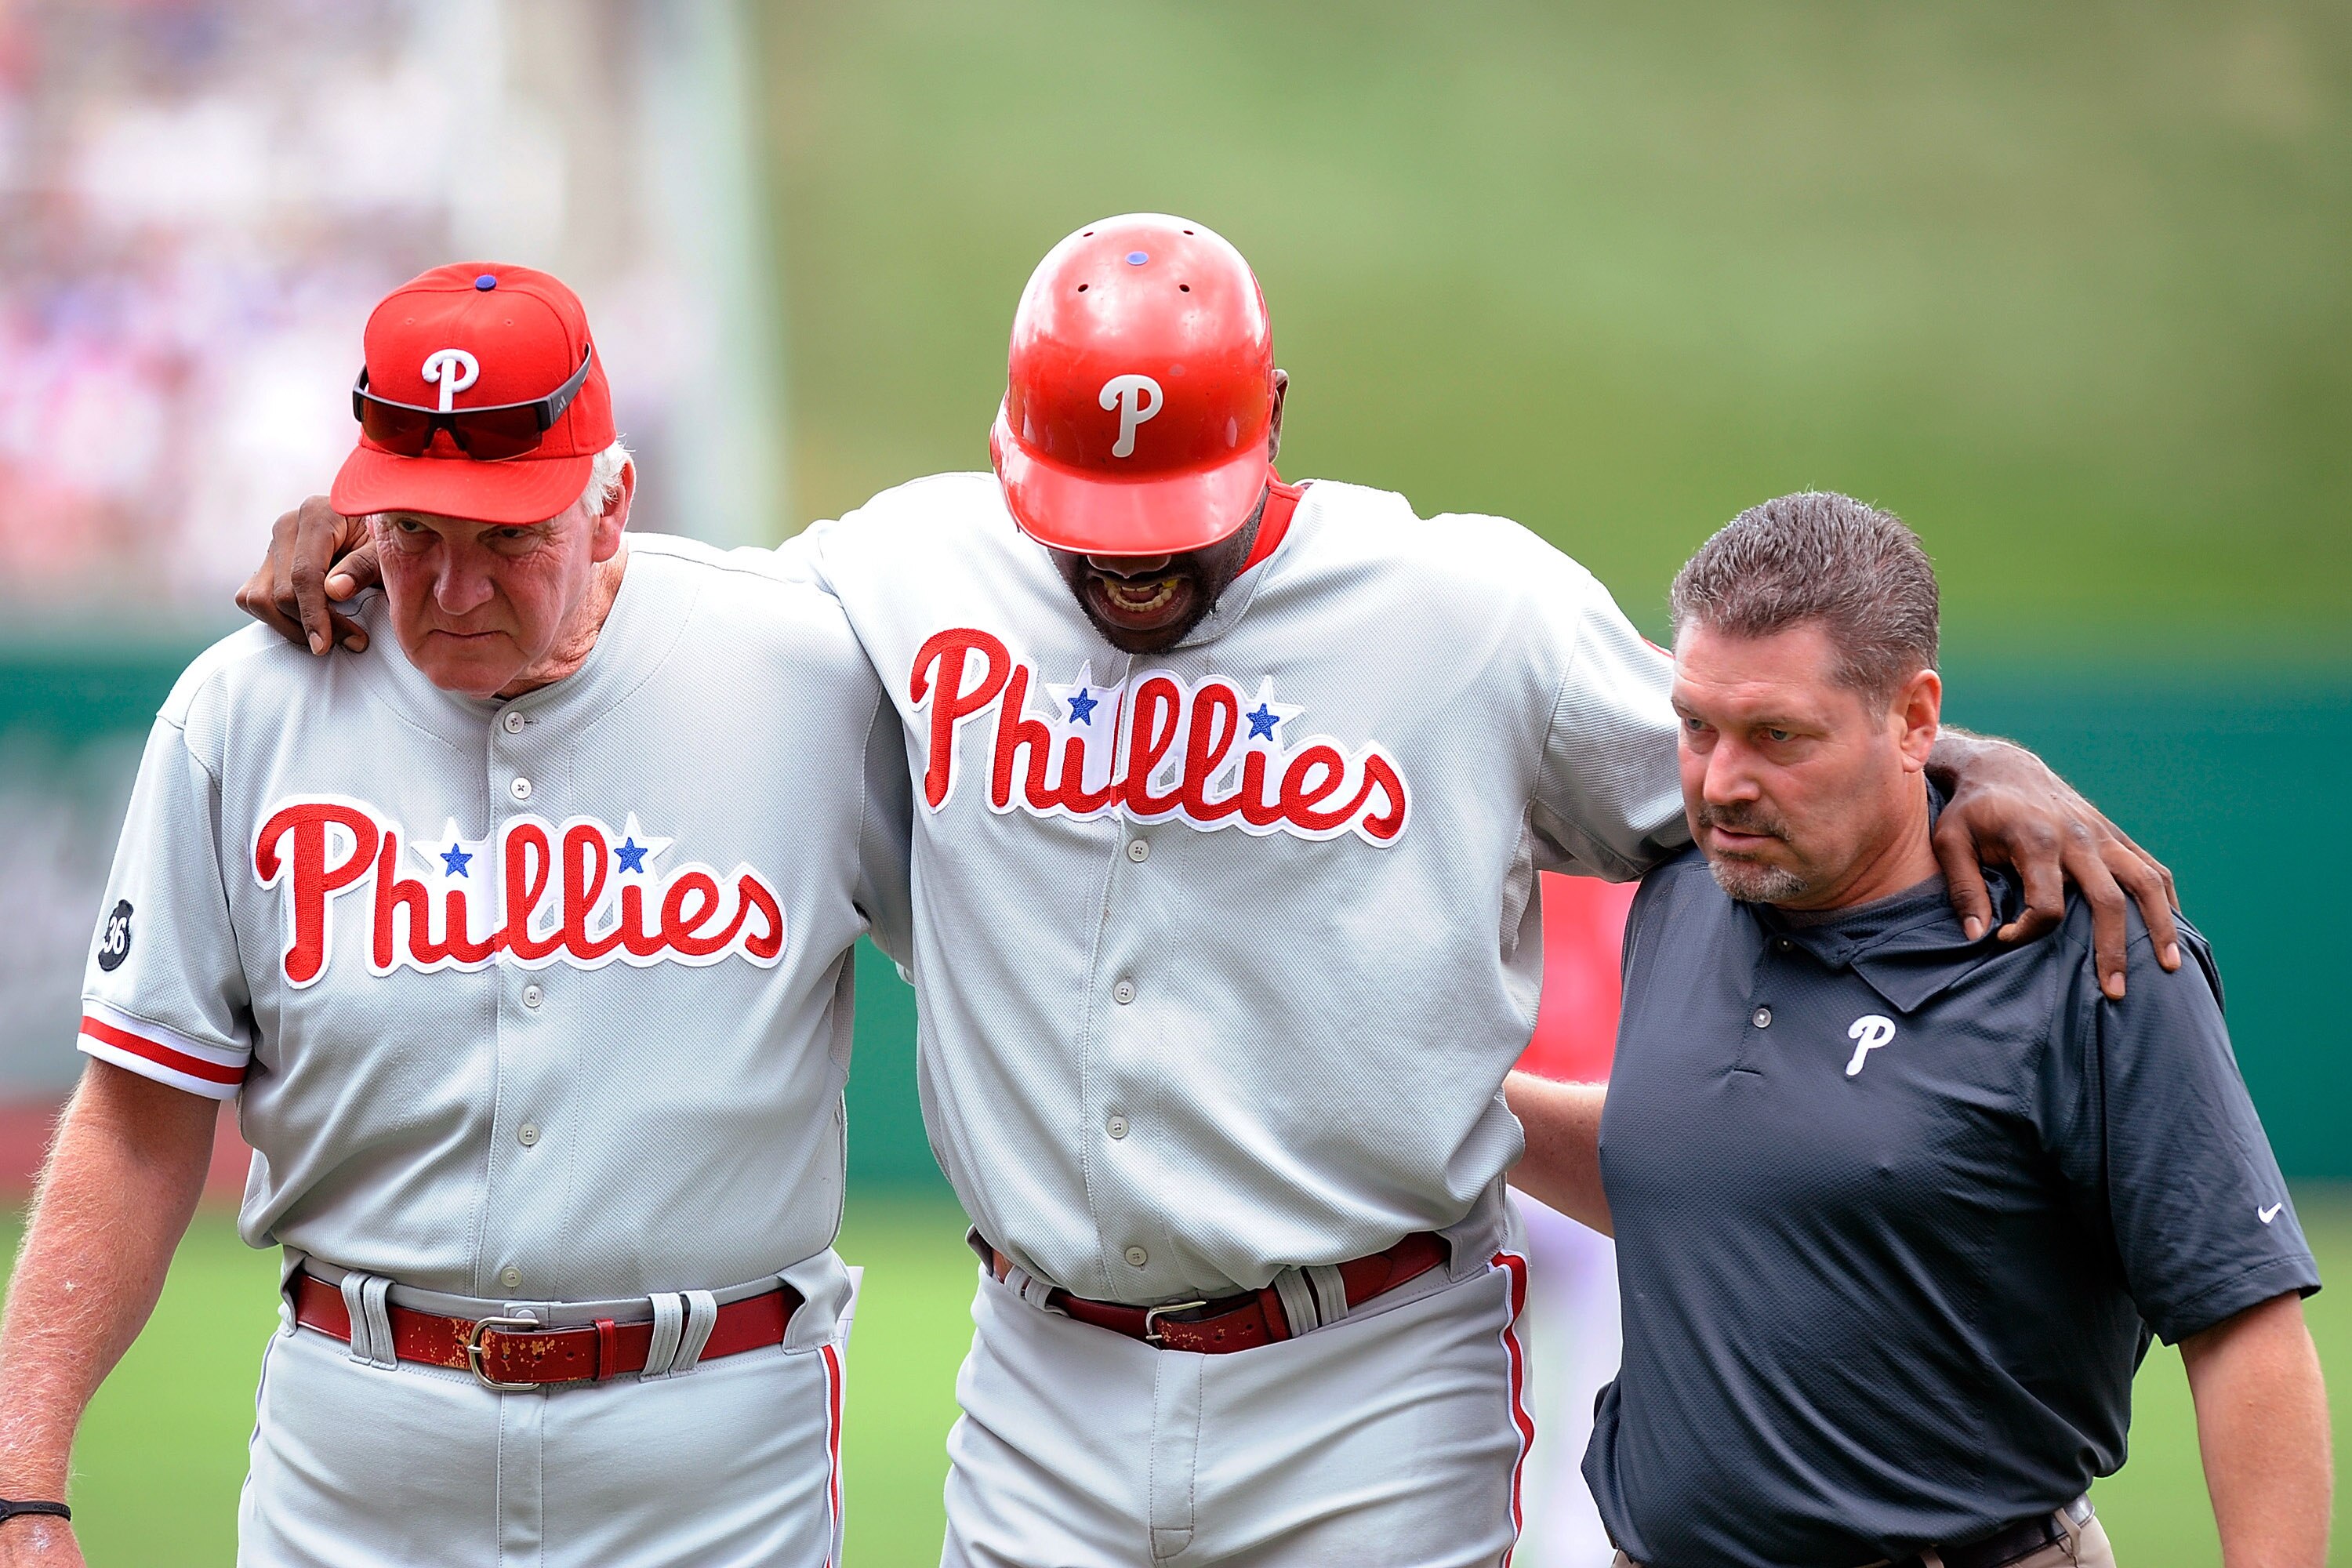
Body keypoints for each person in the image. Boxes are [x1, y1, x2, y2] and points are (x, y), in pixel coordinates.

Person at [239, 217, 2183, 1566]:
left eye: (1173, 524)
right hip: (1041, 1374)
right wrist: (386, 511)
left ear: (1273, 428)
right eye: (1084, 522)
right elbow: (602, 579)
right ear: (1010, 459)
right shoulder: (907, 575)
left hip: (1368, 1367)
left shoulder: (1464, 609)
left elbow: (1753, 776)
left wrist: (1970, 769)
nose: (1130, 568)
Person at [0, 263, 912, 1567]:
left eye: (510, 537)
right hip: (359, 1452)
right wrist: (20, 1483)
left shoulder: (806, 676)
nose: (457, 589)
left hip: (713, 1461)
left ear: (612, 512)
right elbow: (140, 1124)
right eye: (418, 532)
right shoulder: (247, 712)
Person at [1509, 492, 2329, 1568]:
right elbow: (1710, 1173)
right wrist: (1466, 1108)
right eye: (1697, 727)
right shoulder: (1685, 887)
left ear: (1913, 719)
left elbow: (2244, 1327)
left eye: (1779, 737)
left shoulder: (2087, 950)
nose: (1723, 781)